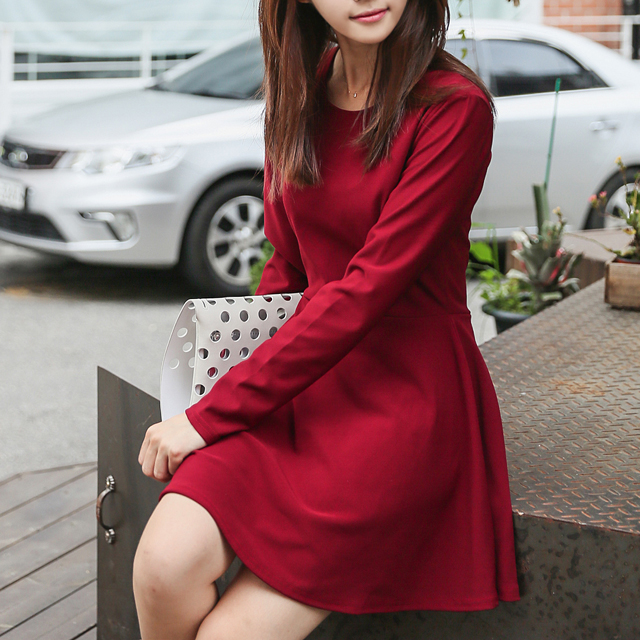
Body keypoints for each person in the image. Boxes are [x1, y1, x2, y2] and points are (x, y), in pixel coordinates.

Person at [133, 0, 522, 637]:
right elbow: (288, 268)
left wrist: (211, 416)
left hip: (400, 403)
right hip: (298, 388)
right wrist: (232, 388)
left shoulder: (454, 108)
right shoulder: (302, 91)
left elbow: (366, 290)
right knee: (161, 566)